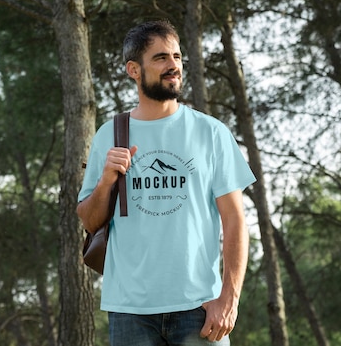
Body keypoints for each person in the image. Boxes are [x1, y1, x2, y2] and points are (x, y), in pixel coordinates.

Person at [77, 20, 256, 346]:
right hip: (129, 311)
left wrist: (229, 299)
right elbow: (90, 220)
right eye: (160, 58)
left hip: (200, 307)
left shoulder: (211, 133)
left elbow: (234, 220)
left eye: (176, 56)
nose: (173, 65)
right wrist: (105, 181)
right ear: (134, 69)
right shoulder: (110, 134)